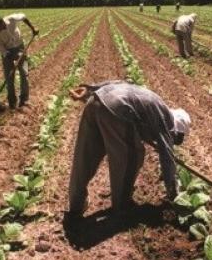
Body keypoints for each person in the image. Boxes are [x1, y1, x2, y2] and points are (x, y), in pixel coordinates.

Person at [66, 81, 191, 216]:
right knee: (132, 156)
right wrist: (174, 195)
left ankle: (76, 205)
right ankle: (122, 204)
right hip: (116, 109)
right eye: (177, 138)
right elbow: (167, 157)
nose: (174, 140)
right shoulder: (166, 119)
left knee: (85, 156)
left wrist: (91, 90)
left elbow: (120, 83)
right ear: (177, 129)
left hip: (95, 101)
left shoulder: (153, 103)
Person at [0, 13, 39, 108]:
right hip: (7, 51)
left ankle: (24, 100)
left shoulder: (11, 19)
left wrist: (33, 28)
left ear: (1, 23)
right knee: (9, 77)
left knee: (24, 73)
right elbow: (1, 48)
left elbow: (24, 17)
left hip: (19, 47)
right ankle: (12, 102)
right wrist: (8, 56)